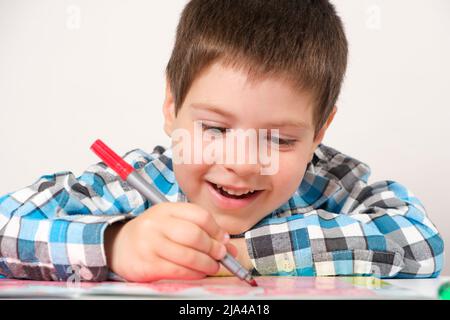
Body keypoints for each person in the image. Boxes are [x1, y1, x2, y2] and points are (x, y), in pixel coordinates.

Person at [0, 0, 443, 282]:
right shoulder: (130, 182)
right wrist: (116, 245)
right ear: (172, 108)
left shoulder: (329, 182)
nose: (243, 163)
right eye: (215, 129)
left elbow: (419, 242)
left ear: (319, 131)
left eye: (280, 139)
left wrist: (246, 252)